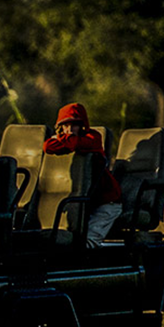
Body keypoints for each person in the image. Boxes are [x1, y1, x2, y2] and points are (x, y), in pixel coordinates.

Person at [43, 102, 123, 246]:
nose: (69, 130)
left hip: (107, 202)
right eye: (65, 125)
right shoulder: (70, 140)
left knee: (88, 241)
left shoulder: (93, 137)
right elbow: (48, 146)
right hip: (85, 204)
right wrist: (64, 139)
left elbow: (75, 144)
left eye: (74, 125)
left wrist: (60, 138)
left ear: (82, 125)